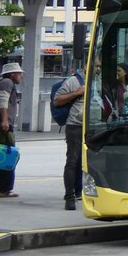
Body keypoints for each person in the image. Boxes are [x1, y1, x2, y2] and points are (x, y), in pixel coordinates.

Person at [53, 64, 87, 210]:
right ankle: (70, 197)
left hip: (93, 126)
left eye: (100, 66)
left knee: (84, 162)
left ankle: (80, 192)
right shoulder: (73, 81)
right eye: (96, 66)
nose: (98, 69)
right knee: (73, 161)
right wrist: (77, 93)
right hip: (75, 126)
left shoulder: (99, 80)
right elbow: (57, 100)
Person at [0, 63, 23, 199]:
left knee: (3, 156)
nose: (21, 76)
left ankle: (4, 189)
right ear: (12, 74)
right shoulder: (7, 82)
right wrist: (4, 120)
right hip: (3, 127)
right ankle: (3, 190)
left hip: (2, 126)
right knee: (7, 156)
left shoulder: (4, 82)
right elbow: (3, 102)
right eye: (19, 73)